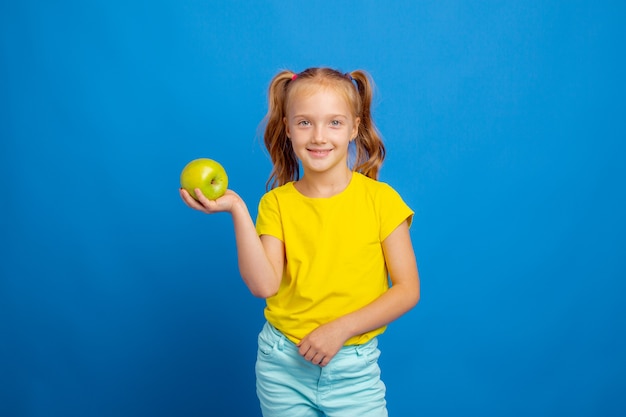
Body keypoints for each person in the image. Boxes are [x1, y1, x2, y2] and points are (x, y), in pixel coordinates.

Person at [180, 67, 420, 417]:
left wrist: (340, 329)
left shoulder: (382, 201)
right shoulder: (276, 204)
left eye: (334, 123)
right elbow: (263, 284)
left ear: (355, 127)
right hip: (282, 368)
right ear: (288, 129)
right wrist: (236, 209)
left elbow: (407, 290)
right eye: (305, 122)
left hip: (353, 371)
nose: (319, 136)